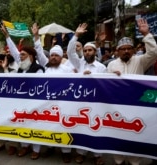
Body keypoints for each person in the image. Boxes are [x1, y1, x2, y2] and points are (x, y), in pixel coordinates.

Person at [107, 18, 157, 165]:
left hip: (136, 105)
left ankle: (134, 161)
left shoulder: (140, 61)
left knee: (135, 133)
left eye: (129, 48)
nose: (126, 51)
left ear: (134, 50)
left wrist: (146, 34)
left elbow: (154, 52)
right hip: (116, 106)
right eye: (123, 49)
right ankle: (119, 160)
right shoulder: (111, 64)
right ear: (118, 51)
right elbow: (103, 83)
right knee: (118, 134)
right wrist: (110, 76)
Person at [0, 23, 45, 160]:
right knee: (22, 124)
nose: (20, 57)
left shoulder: (38, 69)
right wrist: (7, 36)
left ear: (31, 56)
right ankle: (25, 146)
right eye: (21, 55)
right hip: (21, 102)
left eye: (24, 55)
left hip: (34, 103)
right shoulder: (21, 67)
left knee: (34, 126)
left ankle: (36, 150)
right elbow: (14, 51)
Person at [32, 23, 74, 163]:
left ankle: (66, 152)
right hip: (47, 103)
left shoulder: (67, 69)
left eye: (56, 55)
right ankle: (50, 148)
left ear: (61, 57)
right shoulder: (46, 66)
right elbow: (38, 50)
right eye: (52, 55)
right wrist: (36, 36)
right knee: (49, 126)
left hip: (63, 104)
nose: (54, 57)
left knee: (62, 127)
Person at [67, 23, 106, 165]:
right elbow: (71, 52)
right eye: (85, 50)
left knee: (97, 127)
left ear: (95, 52)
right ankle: (81, 153)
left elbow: (105, 85)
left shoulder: (102, 67)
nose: (87, 52)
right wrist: (76, 35)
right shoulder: (79, 64)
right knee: (82, 127)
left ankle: (97, 155)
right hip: (81, 101)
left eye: (90, 50)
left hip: (97, 102)